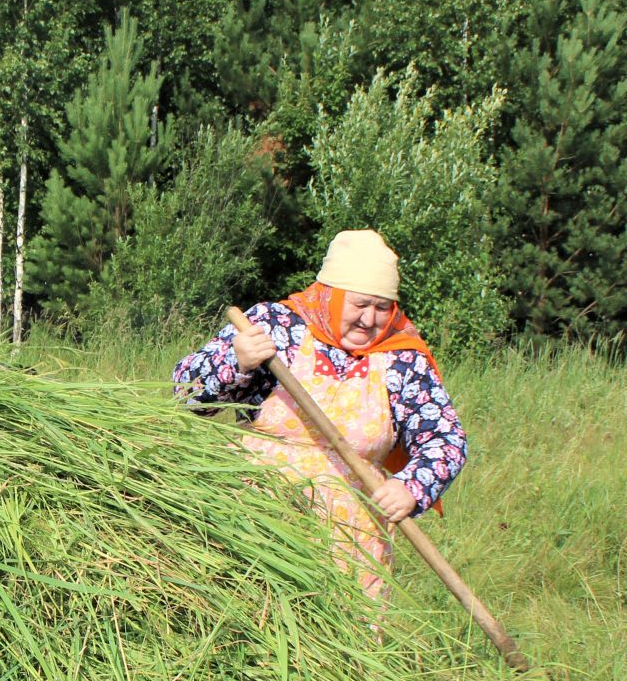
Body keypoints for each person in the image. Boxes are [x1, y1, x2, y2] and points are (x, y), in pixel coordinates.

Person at [171, 228, 466, 599]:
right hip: (255, 521)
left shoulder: (401, 358)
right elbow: (185, 395)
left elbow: (446, 439)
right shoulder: (276, 327)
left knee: (340, 648)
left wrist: (412, 486)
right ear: (330, 296)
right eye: (359, 304)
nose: (369, 320)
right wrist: (236, 360)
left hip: (349, 543)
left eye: (382, 308)